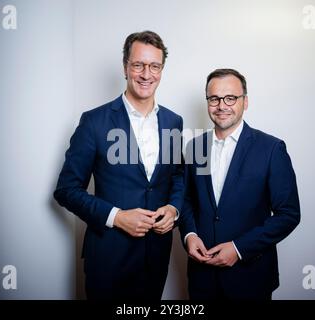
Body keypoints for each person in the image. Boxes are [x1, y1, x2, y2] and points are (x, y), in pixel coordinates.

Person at [54, 31, 184, 300]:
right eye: (138, 65)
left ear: (162, 70)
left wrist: (174, 208)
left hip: (155, 258)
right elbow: (66, 189)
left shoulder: (174, 122)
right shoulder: (94, 122)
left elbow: (178, 175)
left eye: (154, 66)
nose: (146, 74)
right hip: (108, 259)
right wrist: (117, 217)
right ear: (125, 67)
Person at [179, 68, 300, 300]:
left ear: (245, 102)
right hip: (202, 279)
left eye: (230, 98)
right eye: (214, 99)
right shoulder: (194, 148)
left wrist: (238, 248)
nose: (221, 105)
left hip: (250, 278)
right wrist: (189, 235)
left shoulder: (271, 149)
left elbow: (289, 214)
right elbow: (186, 200)